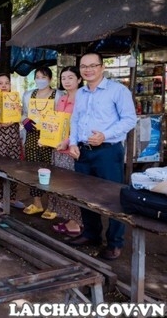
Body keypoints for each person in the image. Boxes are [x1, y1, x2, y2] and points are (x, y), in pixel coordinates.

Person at [68, 53, 136, 260]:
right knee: (85, 196)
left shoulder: (117, 90)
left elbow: (130, 119)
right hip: (83, 151)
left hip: (108, 151)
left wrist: (105, 135)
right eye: (83, 66)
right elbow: (75, 119)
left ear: (102, 67)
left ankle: (115, 242)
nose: (88, 70)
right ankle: (91, 234)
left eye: (93, 66)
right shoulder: (80, 93)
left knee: (113, 197)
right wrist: (72, 142)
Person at [21, 67, 62, 218]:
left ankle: (52, 206)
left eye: (43, 77)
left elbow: (61, 115)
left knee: (51, 171)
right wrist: (24, 120)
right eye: (37, 77)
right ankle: (37, 203)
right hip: (32, 136)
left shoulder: (58, 95)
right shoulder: (27, 95)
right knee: (33, 170)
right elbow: (23, 113)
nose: (40, 80)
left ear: (50, 79)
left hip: (50, 138)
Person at [47, 66, 83, 236]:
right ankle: (69, 219)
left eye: (70, 78)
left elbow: (81, 126)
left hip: (72, 149)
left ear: (79, 80)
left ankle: (76, 223)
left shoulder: (83, 99)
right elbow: (55, 122)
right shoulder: (61, 99)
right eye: (63, 78)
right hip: (58, 148)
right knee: (60, 184)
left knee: (72, 186)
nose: (67, 81)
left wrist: (67, 141)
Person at [0, 73, 24, 210]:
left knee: (14, 168)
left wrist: (19, 112)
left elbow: (20, 119)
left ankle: (12, 198)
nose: (4, 86)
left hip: (13, 137)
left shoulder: (14, 99)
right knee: (2, 169)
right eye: (0, 83)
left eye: (7, 83)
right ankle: (2, 199)